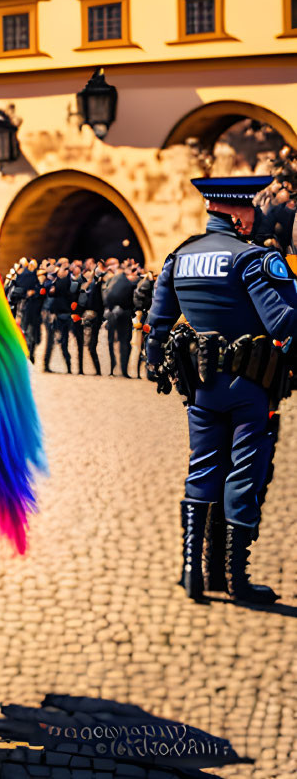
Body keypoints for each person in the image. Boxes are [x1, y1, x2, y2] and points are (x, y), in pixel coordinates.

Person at [146, 175, 294, 605]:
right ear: (236, 213)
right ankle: (237, 579)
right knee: (245, 474)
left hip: (202, 386)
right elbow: (284, 322)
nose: (257, 218)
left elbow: (157, 325)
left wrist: (156, 365)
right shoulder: (252, 260)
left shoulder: (182, 256)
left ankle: (192, 571)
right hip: (250, 386)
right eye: (251, 211)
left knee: (203, 468)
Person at [102, 259, 139, 378]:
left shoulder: (114, 280)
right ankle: (123, 370)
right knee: (124, 342)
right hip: (124, 313)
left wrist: (109, 308)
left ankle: (113, 369)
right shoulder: (129, 283)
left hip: (113, 312)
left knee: (112, 341)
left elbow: (107, 296)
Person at [41, 259, 76, 373]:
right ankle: (66, 368)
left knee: (61, 342)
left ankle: (67, 367)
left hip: (61, 314)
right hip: (56, 314)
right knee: (54, 342)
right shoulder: (58, 281)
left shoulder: (64, 282)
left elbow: (55, 291)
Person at [77, 260, 105, 375]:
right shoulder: (87, 287)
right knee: (85, 345)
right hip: (86, 316)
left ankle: (98, 371)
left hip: (95, 317)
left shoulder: (98, 286)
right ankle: (82, 370)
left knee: (91, 346)